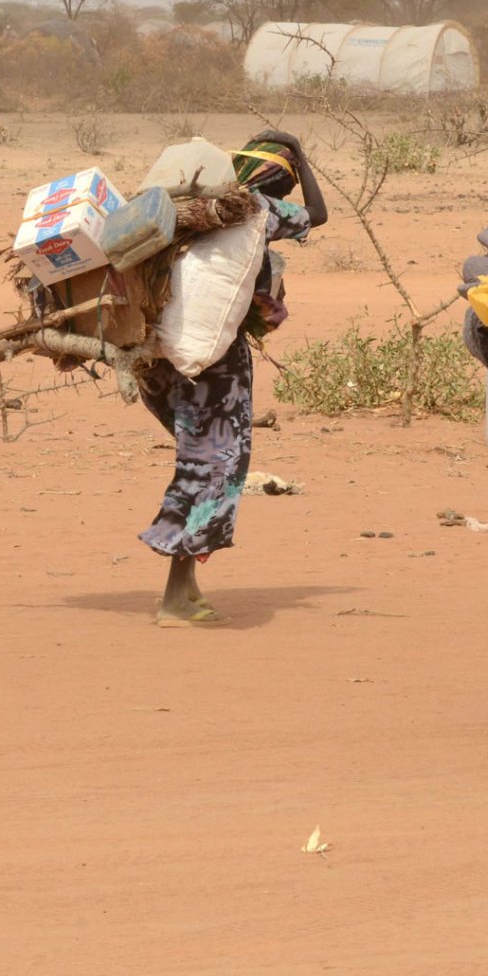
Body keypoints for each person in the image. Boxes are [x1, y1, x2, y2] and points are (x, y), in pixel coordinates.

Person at [139, 129, 328, 627]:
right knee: (210, 470)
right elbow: (320, 215)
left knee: (198, 462)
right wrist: (301, 154)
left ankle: (189, 589)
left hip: (157, 361)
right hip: (214, 368)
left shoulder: (187, 214)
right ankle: (175, 599)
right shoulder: (258, 211)